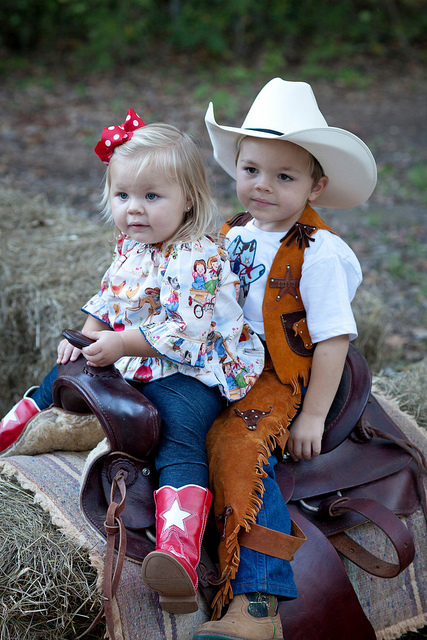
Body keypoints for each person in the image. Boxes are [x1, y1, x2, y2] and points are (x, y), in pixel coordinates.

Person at [0, 109, 264, 614]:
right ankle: (14, 431)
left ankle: (179, 555)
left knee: (178, 432)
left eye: (151, 197)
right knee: (61, 374)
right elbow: (110, 293)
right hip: (137, 354)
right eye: (123, 197)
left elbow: (183, 333)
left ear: (188, 199)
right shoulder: (133, 243)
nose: (134, 210)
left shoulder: (196, 256)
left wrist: (119, 345)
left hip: (194, 366)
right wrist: (91, 334)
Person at [191, 78, 377, 640]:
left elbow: (332, 340)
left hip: (281, 375)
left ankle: (260, 599)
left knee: (239, 445)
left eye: (284, 176)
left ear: (316, 186)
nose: (263, 186)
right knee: (163, 408)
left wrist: (313, 415)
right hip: (226, 361)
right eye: (251, 170)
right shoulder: (233, 234)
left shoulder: (319, 254)